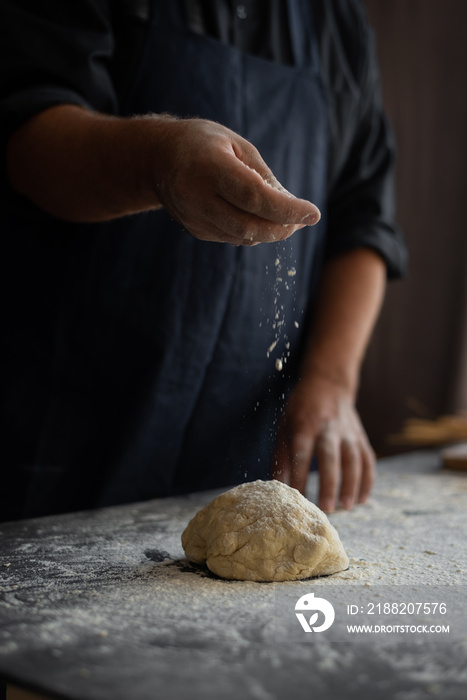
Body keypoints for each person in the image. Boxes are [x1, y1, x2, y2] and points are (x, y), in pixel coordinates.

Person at [0, 0, 407, 522]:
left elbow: (363, 221)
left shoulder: (336, 19)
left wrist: (332, 379)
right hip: (66, 434)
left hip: (243, 451)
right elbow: (26, 132)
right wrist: (157, 160)